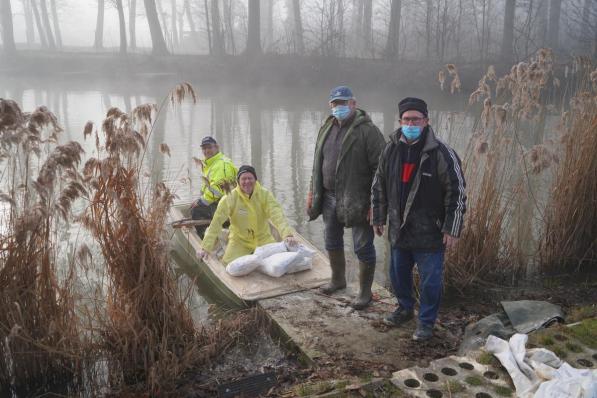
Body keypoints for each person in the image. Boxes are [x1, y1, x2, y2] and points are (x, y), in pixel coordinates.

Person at [371, 97, 467, 341]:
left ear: (426, 121)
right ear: (400, 121)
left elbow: (457, 191)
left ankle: (425, 322)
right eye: (406, 119)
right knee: (397, 275)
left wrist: (452, 228)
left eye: (416, 119)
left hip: (430, 233)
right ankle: (404, 308)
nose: (411, 123)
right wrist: (378, 216)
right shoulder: (390, 148)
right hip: (398, 230)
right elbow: (378, 184)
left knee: (430, 283)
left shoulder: (442, 152)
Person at [306, 85, 386, 309]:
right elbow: (317, 164)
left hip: (358, 199)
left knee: (362, 246)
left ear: (354, 103)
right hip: (329, 196)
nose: (338, 107)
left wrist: (375, 204)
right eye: (335, 104)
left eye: (343, 103)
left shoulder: (368, 132)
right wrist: (312, 191)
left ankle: (364, 293)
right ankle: (338, 280)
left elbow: (381, 171)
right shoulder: (327, 127)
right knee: (331, 239)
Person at [197, 165, 297, 264]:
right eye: (243, 179)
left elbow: (277, 215)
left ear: (255, 180)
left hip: (263, 239)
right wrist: (205, 247)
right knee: (227, 264)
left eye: (250, 178)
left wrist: (287, 234)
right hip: (239, 241)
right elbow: (216, 222)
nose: (247, 182)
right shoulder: (230, 198)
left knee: (279, 262)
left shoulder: (264, 194)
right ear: (238, 181)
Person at [191, 136, 237, 238]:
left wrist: (201, 201)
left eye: (209, 147)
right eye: (204, 148)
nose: (207, 151)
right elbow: (211, 187)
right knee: (196, 206)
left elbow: (219, 190)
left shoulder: (222, 164)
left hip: (228, 206)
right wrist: (201, 199)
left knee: (196, 210)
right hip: (219, 202)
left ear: (216, 147)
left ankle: (205, 238)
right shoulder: (212, 163)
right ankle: (217, 230)